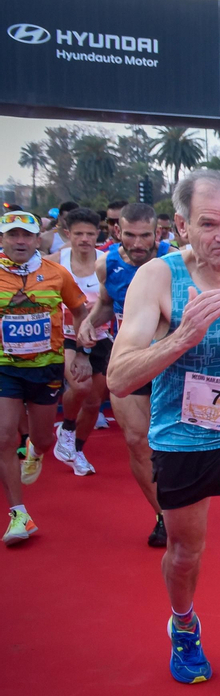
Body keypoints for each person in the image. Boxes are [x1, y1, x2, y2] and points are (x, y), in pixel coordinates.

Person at [106, 170, 220, 683]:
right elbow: (119, 377)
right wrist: (182, 338)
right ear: (183, 227)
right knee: (185, 555)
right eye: (208, 224)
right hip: (183, 435)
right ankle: (183, 625)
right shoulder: (160, 279)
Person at [0, 210, 94, 544]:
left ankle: (36, 450)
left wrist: (81, 349)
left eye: (26, 235)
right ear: (3, 239)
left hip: (46, 367)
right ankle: (18, 515)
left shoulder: (56, 273)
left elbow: (81, 310)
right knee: (3, 437)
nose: (20, 242)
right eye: (13, 235)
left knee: (43, 439)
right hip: (4, 368)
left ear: (37, 239)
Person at [82, 202, 170, 546]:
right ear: (117, 231)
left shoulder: (174, 260)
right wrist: (90, 323)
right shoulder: (108, 264)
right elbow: (106, 303)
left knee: (171, 444)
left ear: (158, 234)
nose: (137, 243)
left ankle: (182, 502)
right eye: (129, 235)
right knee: (136, 440)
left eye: (144, 235)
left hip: (169, 363)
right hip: (129, 361)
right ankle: (162, 515)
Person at [50, 208, 114, 476]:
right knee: (80, 385)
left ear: (98, 234)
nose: (85, 239)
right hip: (66, 336)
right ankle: (66, 426)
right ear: (68, 234)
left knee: (93, 401)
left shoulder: (107, 261)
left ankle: (76, 449)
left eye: (90, 233)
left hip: (101, 337)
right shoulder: (55, 262)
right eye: (79, 234)